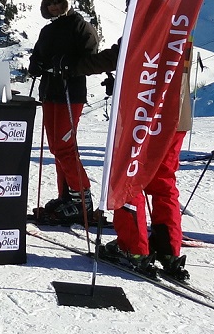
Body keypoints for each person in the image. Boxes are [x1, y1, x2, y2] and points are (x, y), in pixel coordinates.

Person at [72, 38, 193, 280]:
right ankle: (168, 250)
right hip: (176, 114)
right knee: (164, 181)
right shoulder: (182, 15)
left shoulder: (147, 19)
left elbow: (121, 54)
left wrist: (71, 66)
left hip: (143, 113)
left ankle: (133, 248)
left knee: (129, 176)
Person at [27, 0, 99, 225]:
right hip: (50, 93)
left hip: (71, 93)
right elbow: (38, 54)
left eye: (57, 1)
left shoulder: (81, 26)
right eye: (49, 3)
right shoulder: (48, 30)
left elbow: (90, 58)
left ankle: (82, 199)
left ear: (66, 1)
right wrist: (35, 64)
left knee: (64, 147)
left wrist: (67, 65)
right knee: (56, 148)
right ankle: (66, 195)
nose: (54, 6)